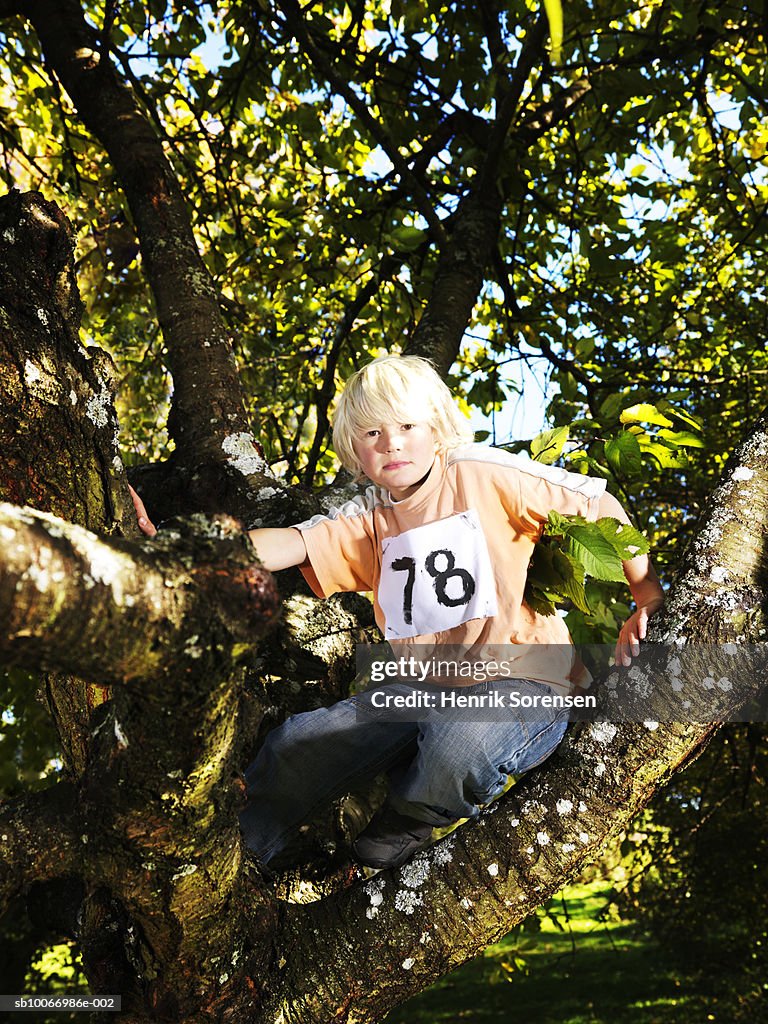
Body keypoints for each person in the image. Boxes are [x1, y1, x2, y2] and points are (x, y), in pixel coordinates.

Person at [132, 354, 664, 871]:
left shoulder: (482, 474)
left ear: (436, 427)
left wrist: (646, 600)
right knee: (297, 744)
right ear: (355, 451)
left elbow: (598, 503)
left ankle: (411, 816)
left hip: (526, 680)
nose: (391, 443)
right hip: (424, 688)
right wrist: (187, 549)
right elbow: (289, 544)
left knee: (460, 743)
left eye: (406, 425)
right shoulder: (368, 518)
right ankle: (231, 856)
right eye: (371, 434)